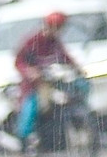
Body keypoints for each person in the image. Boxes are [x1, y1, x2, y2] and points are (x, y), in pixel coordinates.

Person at [12, 11, 79, 148]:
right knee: (32, 106)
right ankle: (24, 137)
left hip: (55, 83)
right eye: (55, 27)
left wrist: (78, 69)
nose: (57, 31)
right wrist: (30, 72)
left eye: (59, 28)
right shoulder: (32, 42)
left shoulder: (55, 43)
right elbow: (19, 62)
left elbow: (66, 58)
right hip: (36, 85)